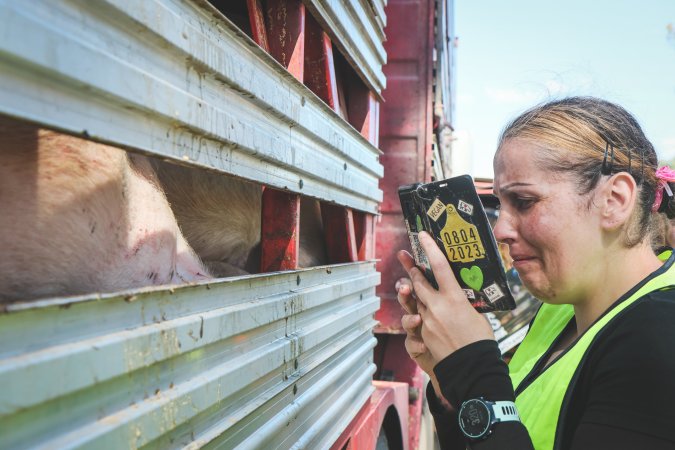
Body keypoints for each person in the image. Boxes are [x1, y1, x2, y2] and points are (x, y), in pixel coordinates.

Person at [396, 97, 675, 449]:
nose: (500, 231)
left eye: (524, 202)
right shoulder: (558, 311)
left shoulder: (660, 338)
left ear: (614, 200)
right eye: (500, 204)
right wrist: (452, 387)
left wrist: (475, 371)